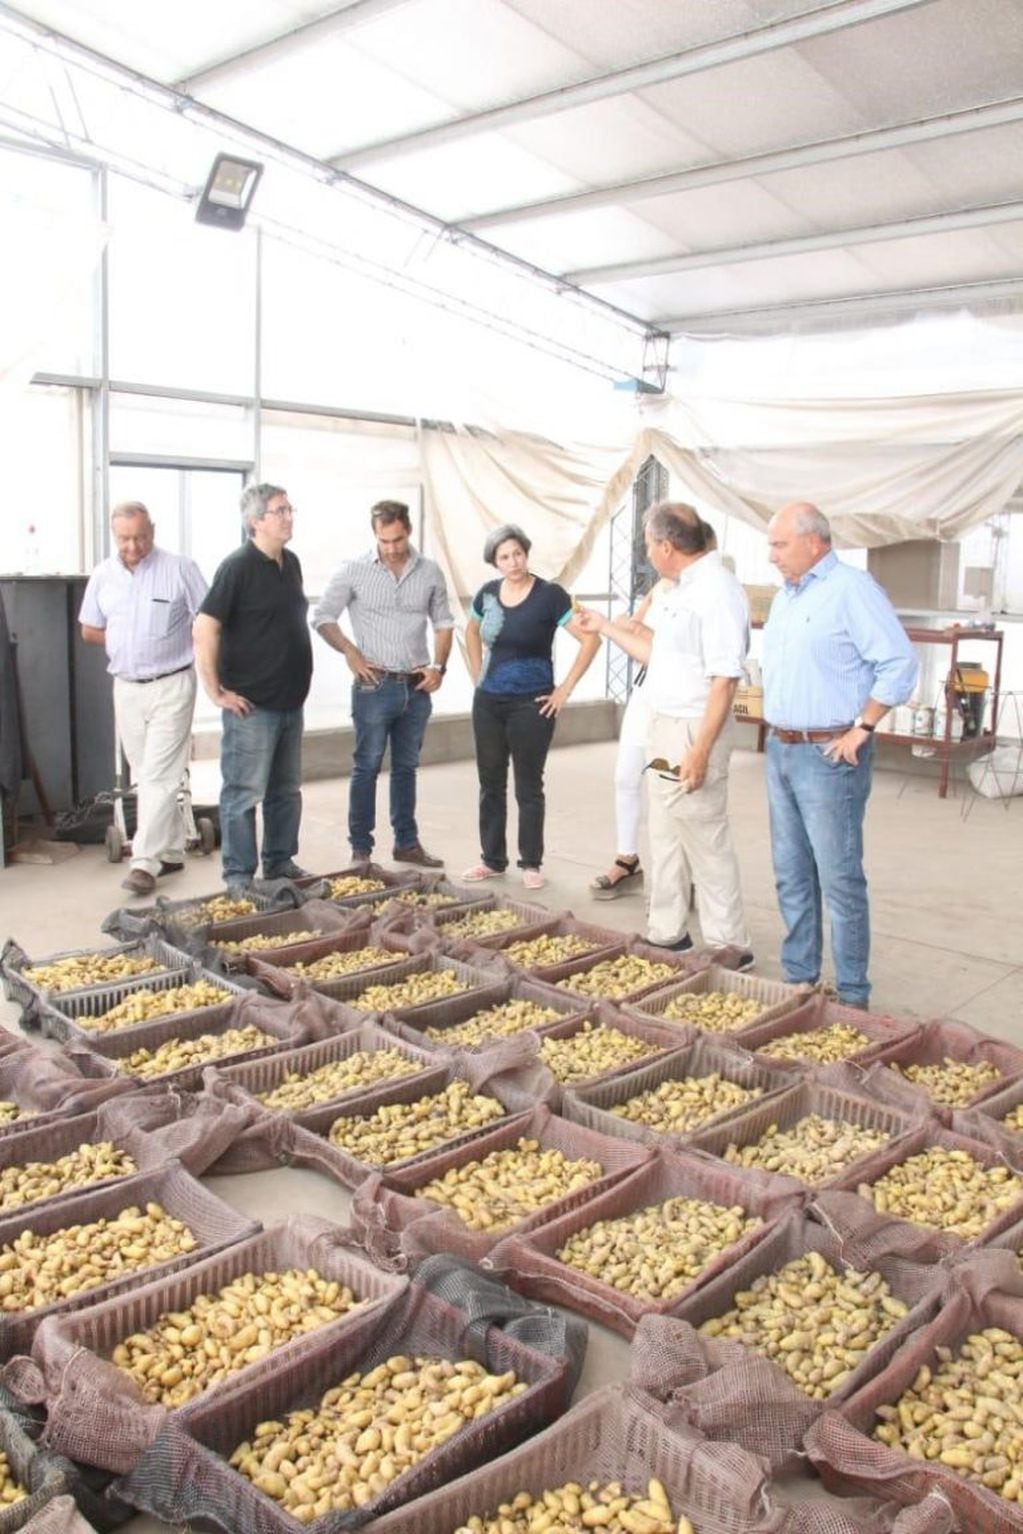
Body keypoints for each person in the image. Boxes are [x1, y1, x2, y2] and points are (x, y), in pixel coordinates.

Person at [577, 503, 752, 960]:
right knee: (665, 832)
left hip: (694, 727)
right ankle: (667, 929)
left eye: (649, 544)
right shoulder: (677, 588)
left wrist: (700, 750)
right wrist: (604, 626)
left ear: (666, 546)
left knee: (704, 835)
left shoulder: (717, 590)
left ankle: (729, 944)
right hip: (664, 722)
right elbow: (657, 654)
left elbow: (725, 680)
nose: (647, 552)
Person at [762, 501, 919, 1008]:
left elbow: (898, 663)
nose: (771, 556)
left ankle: (852, 994)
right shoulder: (788, 596)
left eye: (779, 544)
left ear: (815, 542)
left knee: (838, 875)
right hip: (781, 748)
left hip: (829, 755)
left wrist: (863, 726)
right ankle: (800, 978)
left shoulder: (852, 590)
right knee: (791, 870)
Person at [312, 500, 454, 867]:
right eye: (384, 540)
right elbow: (323, 616)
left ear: (408, 530)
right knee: (367, 767)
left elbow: (443, 622)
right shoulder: (353, 570)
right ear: (374, 533)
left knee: (406, 768)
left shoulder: (430, 572)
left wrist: (439, 666)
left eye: (399, 539)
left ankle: (406, 844)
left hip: (416, 686)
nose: (392, 547)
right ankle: (360, 850)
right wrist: (350, 652)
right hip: (374, 686)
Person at [79, 502, 207, 897]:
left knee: (159, 776)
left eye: (141, 536)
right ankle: (170, 851)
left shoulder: (179, 568)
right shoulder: (103, 575)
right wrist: (124, 641)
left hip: (172, 683)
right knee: (145, 774)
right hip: (127, 687)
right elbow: (89, 629)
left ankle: (144, 863)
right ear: (114, 535)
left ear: (152, 530)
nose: (133, 545)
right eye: (125, 538)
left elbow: (209, 620)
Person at [463, 523, 600, 890]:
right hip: (489, 703)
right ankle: (492, 859)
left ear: (527, 553)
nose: (513, 562)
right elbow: (470, 631)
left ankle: (531, 862)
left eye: (518, 553)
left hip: (533, 704)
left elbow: (590, 641)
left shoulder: (550, 595)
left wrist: (563, 690)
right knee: (489, 782)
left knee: (528, 785)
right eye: (504, 556)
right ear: (495, 562)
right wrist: (478, 676)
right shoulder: (487, 594)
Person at [193, 483, 312, 894]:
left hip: (290, 701)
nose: (288, 516)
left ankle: (279, 864)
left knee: (285, 791)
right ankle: (239, 877)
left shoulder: (290, 563)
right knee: (244, 793)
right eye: (280, 510)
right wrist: (216, 692)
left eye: (289, 508)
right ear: (255, 520)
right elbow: (205, 626)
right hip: (253, 706)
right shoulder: (237, 567)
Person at [590, 523, 717, 899]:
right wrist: (628, 631)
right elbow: (637, 627)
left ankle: (687, 874)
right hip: (648, 694)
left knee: (680, 788)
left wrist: (636, 636)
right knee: (627, 776)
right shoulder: (661, 589)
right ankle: (627, 860)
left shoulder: (710, 595)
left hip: (685, 703)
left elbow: (664, 647)